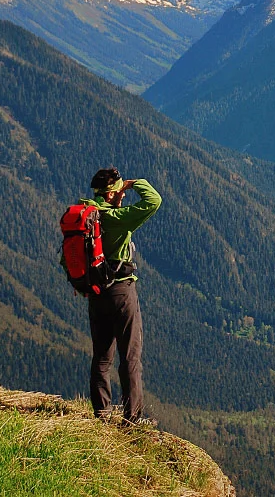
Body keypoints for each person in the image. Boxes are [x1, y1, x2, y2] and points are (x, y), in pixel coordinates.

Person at [82, 167, 161, 425]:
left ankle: (101, 414)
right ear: (113, 193)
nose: (124, 196)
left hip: (96, 293)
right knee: (130, 357)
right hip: (121, 291)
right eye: (120, 192)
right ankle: (132, 419)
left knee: (102, 356)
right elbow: (153, 201)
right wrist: (135, 183)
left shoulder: (86, 215)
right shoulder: (116, 218)